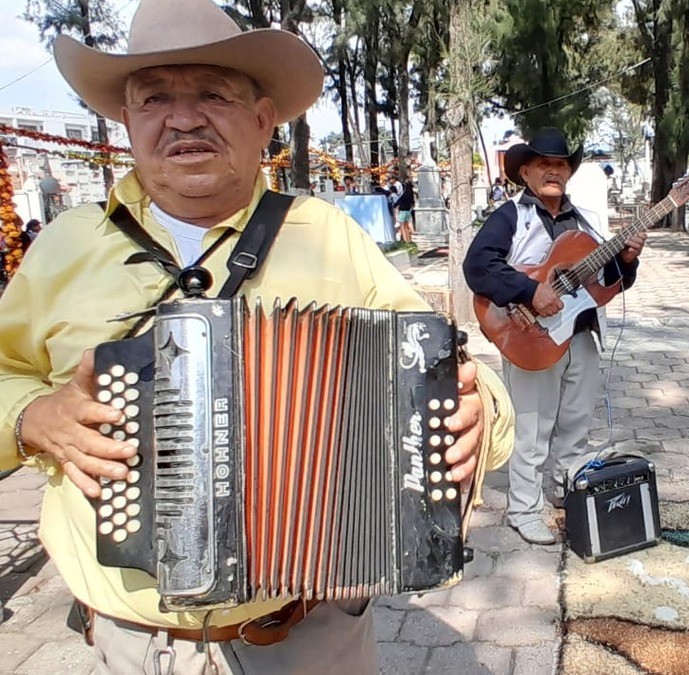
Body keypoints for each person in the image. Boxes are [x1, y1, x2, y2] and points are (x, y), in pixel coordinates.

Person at [0, 1, 513, 673]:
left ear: (262, 120)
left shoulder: (325, 234)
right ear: (126, 121)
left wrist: (482, 412)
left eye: (212, 93)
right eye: (154, 98)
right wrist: (33, 416)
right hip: (135, 642)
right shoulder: (64, 245)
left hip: (310, 635)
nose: (184, 118)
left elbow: (453, 371)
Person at [463, 128, 647, 545]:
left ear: (568, 172)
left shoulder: (582, 222)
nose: (552, 171)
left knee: (576, 425)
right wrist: (531, 291)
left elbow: (606, 281)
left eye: (560, 164)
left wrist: (628, 260)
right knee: (532, 426)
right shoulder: (511, 216)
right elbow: (477, 267)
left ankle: (570, 489)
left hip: (580, 334)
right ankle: (523, 509)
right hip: (527, 334)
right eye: (543, 164)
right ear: (525, 171)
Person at [395, 177, 415, 242]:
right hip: (408, 211)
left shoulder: (404, 194)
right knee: (406, 227)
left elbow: (398, 202)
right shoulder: (411, 195)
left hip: (402, 211)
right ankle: (409, 240)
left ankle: (406, 240)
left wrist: (395, 205)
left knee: (402, 227)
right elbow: (412, 203)